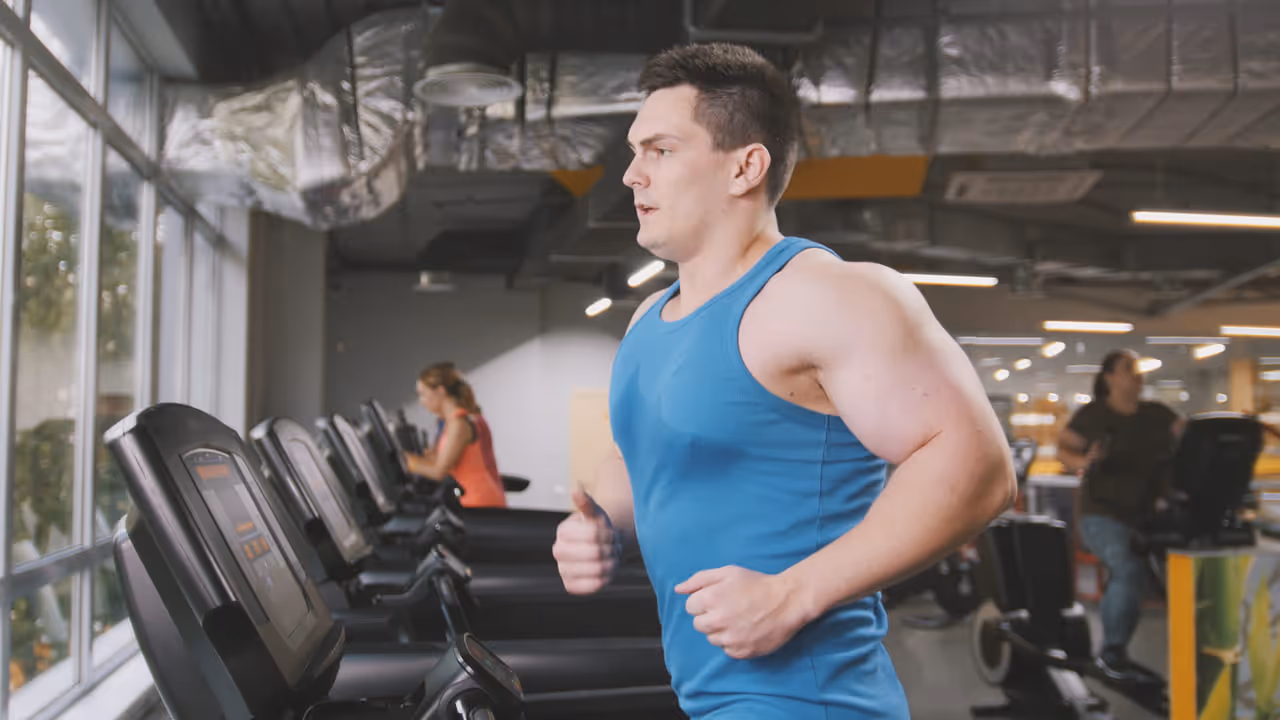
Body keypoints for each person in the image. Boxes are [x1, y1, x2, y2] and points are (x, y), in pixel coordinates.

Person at [550, 43, 1016, 719]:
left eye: (660, 150)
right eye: (634, 151)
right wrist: (600, 527)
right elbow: (635, 458)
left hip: (807, 702)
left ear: (745, 166)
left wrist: (795, 594)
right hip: (705, 694)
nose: (631, 176)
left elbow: (980, 469)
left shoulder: (828, 296)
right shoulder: (650, 318)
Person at [1057, 349, 1183, 679]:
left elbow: (1191, 437)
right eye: (1129, 369)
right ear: (1109, 377)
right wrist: (1084, 462)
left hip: (1146, 515)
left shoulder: (1157, 414)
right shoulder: (1095, 414)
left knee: (1168, 573)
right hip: (1101, 514)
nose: (1137, 374)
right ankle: (1112, 653)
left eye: (1138, 369)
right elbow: (1064, 448)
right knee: (1127, 569)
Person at [404, 362, 507, 508]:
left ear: (440, 391)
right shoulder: (452, 421)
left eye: (423, 394)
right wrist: (420, 458)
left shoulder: (458, 423)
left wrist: (408, 462)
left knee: (435, 526)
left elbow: (439, 472)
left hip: (478, 501)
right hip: (466, 497)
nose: (421, 402)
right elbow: (445, 459)